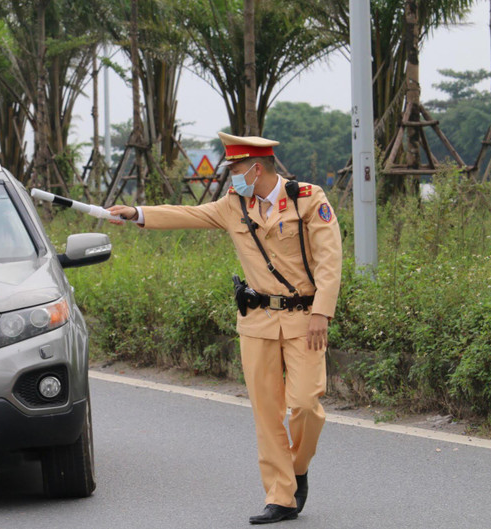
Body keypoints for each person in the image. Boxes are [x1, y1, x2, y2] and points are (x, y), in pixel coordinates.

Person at [108, 132, 342, 525]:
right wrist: (137, 213)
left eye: (234, 169)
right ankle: (281, 497)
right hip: (257, 322)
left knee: (305, 405)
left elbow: (329, 260)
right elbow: (187, 215)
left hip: (305, 318)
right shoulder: (233, 205)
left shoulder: (307, 198)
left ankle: (297, 468)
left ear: (255, 168)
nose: (230, 177)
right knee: (267, 413)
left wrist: (322, 312)